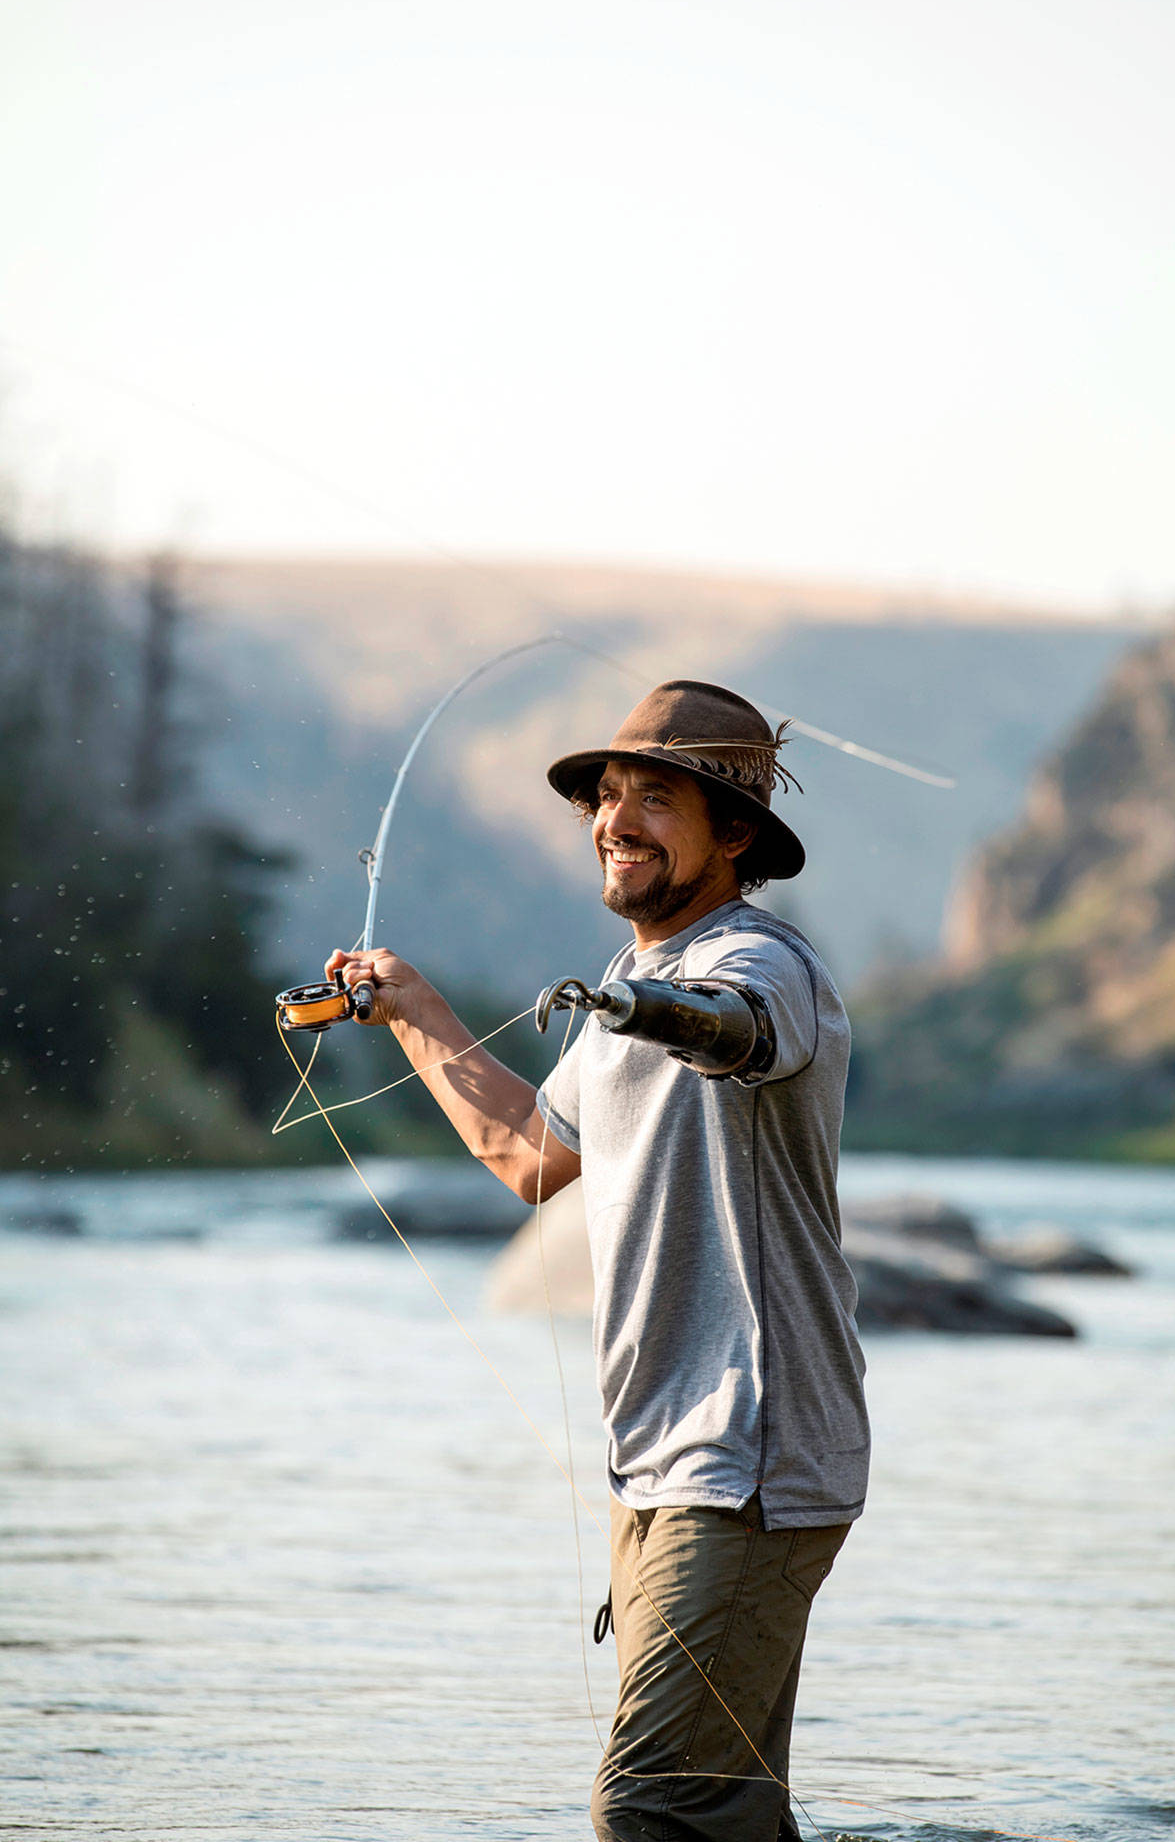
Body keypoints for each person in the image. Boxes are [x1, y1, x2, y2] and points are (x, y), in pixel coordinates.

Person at [327, 678, 870, 1842]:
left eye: (654, 798)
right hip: (665, 1463)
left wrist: (647, 1010)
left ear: (733, 836)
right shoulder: (629, 999)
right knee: (724, 1818)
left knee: (647, 1811)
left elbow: (736, 1030)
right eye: (606, 796)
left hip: (748, 1461)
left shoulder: (762, 965)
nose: (614, 819)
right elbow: (527, 1156)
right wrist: (414, 1005)